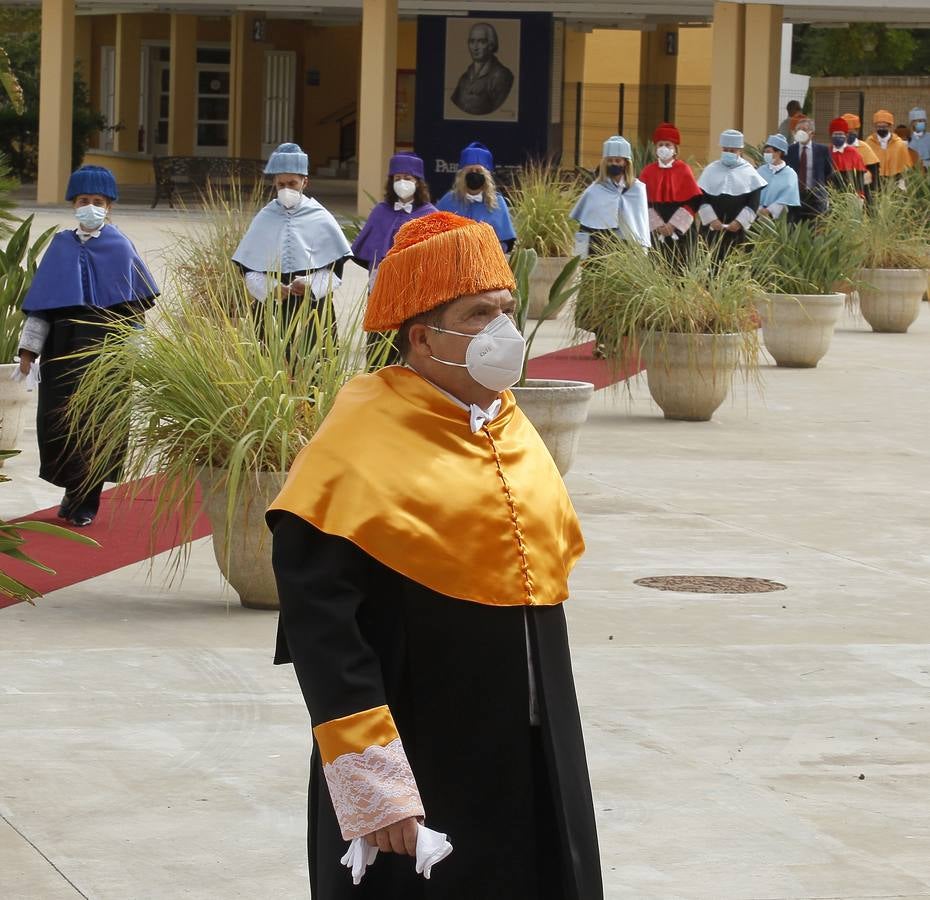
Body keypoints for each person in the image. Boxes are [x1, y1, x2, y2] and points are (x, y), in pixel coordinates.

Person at [267, 210, 603, 900]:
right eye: (480, 314)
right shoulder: (356, 442)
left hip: (532, 746)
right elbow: (320, 626)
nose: (503, 331)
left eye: (506, 310)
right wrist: (376, 785)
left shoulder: (509, 425)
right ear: (423, 338)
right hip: (424, 755)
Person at [16, 165, 159, 527]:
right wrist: (28, 352)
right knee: (60, 424)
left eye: (98, 202)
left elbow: (135, 310)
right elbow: (41, 309)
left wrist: (136, 355)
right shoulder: (60, 246)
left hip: (106, 353)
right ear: (73, 204)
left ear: (109, 207)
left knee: (97, 425)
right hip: (62, 353)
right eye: (83, 201)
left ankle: (86, 500)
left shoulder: (121, 247)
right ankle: (71, 490)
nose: (90, 207)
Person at [232, 142, 351, 342]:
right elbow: (248, 270)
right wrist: (271, 287)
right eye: (281, 185)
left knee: (315, 361)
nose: (286, 189)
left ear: (305, 182)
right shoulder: (265, 216)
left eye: (292, 184)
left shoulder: (321, 217)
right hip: (271, 309)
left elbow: (334, 272)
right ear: (275, 184)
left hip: (313, 310)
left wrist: (309, 284)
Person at [352, 152, 437, 364]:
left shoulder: (430, 214)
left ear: (418, 182)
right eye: (397, 178)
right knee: (378, 348)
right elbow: (366, 252)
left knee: (411, 344)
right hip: (381, 291)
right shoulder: (381, 211)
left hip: (414, 294)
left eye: (407, 178)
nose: (402, 183)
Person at [569, 134, 650, 254]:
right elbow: (584, 227)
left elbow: (641, 224)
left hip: (627, 251)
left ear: (626, 163)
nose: (613, 164)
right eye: (610, 160)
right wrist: (579, 255)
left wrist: (643, 252)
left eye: (618, 160)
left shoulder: (637, 189)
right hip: (597, 249)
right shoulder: (594, 190)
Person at [696, 129, 767, 256]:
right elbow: (702, 199)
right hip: (711, 230)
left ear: (740, 151)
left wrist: (739, 222)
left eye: (732, 151)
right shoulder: (711, 170)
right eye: (725, 150)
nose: (728, 153)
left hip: (738, 233)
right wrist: (712, 220)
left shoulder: (750, 172)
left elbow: (753, 203)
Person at [436, 142, 516, 251]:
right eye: (470, 171)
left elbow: (506, 241)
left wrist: (492, 252)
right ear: (461, 175)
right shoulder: (447, 201)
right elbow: (433, 235)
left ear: (486, 176)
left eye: (478, 171)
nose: (474, 174)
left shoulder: (497, 203)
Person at [637, 122, 702, 254]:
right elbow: (641, 202)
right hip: (656, 232)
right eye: (660, 145)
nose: (664, 148)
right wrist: (658, 225)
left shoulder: (684, 170)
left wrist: (673, 225)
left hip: (682, 233)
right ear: (655, 148)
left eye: (668, 145)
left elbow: (693, 202)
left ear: (675, 149)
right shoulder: (647, 172)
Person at [450, 22, 514, 116]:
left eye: (481, 42)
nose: (475, 47)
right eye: (472, 41)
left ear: (491, 45)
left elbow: (498, 114)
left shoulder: (502, 76)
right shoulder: (465, 77)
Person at [785, 117, 833, 222]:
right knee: (793, 230)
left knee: (815, 229)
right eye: (798, 129)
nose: (800, 132)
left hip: (816, 198)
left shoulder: (822, 150)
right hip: (794, 197)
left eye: (804, 129)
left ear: (812, 133)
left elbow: (828, 173)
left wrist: (825, 192)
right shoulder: (789, 150)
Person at [756, 134, 801, 220]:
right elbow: (754, 191)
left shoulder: (790, 174)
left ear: (779, 152)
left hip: (780, 219)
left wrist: (769, 210)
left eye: (769, 152)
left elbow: (788, 196)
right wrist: (760, 209)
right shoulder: (760, 171)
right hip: (757, 216)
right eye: (765, 152)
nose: (766, 154)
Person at [865, 111, 913, 187]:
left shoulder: (899, 144)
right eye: (878, 127)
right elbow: (865, 162)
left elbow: (906, 164)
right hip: (874, 180)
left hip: (895, 180)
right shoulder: (869, 142)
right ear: (875, 127)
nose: (881, 129)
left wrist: (902, 180)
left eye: (884, 127)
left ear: (890, 126)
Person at [841, 113, 880, 201]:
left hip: (863, 192)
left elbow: (874, 172)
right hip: (842, 192)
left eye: (852, 131)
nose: (849, 134)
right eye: (846, 132)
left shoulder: (864, 147)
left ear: (857, 131)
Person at [826, 117, 866, 196]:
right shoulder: (826, 152)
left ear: (846, 135)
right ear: (831, 135)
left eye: (841, 134)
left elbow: (859, 177)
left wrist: (860, 196)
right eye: (835, 134)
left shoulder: (853, 153)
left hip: (850, 196)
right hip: (829, 196)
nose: (838, 136)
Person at [908, 107, 930, 172]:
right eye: (919, 121)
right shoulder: (909, 139)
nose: (922, 123)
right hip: (913, 173)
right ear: (912, 123)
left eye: (923, 121)